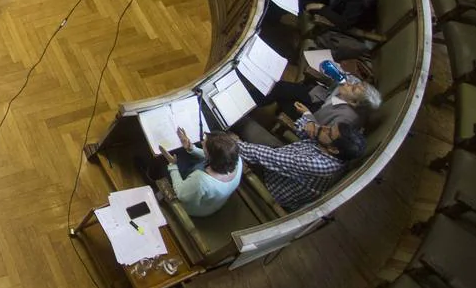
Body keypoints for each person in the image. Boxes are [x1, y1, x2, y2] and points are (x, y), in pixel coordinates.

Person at [236, 121, 364, 211]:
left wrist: (236, 143)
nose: (324, 127)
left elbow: (268, 157)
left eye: (329, 131)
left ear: (334, 149)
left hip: (270, 182)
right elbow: (303, 127)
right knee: (244, 122)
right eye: (329, 127)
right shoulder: (333, 150)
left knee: (227, 139)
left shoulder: (318, 165)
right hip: (283, 157)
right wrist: (309, 125)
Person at [152, 129, 242, 218]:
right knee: (184, 155)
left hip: (200, 210)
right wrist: (191, 148)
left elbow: (181, 193)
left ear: (210, 156)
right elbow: (216, 157)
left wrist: (173, 166)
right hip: (216, 201)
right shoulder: (237, 160)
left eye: (204, 144)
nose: (202, 142)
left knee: (163, 168)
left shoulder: (201, 181)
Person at [265, 76, 382, 130]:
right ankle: (258, 96)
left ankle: (253, 98)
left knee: (279, 94)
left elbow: (320, 134)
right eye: (356, 84)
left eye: (352, 88)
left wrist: (306, 114)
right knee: (280, 88)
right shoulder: (349, 89)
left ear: (353, 103)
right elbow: (343, 79)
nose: (349, 84)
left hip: (311, 118)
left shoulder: (344, 120)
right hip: (318, 99)